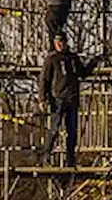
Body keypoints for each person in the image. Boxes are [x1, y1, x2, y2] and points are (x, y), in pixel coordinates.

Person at [39, 33, 99, 168]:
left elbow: (82, 73)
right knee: (54, 128)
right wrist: (42, 98)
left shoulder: (73, 58)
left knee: (72, 130)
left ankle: (70, 158)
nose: (59, 44)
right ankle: (47, 155)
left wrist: (93, 63)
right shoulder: (52, 59)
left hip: (72, 98)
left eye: (61, 42)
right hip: (58, 98)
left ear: (66, 42)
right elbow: (44, 79)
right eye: (57, 42)